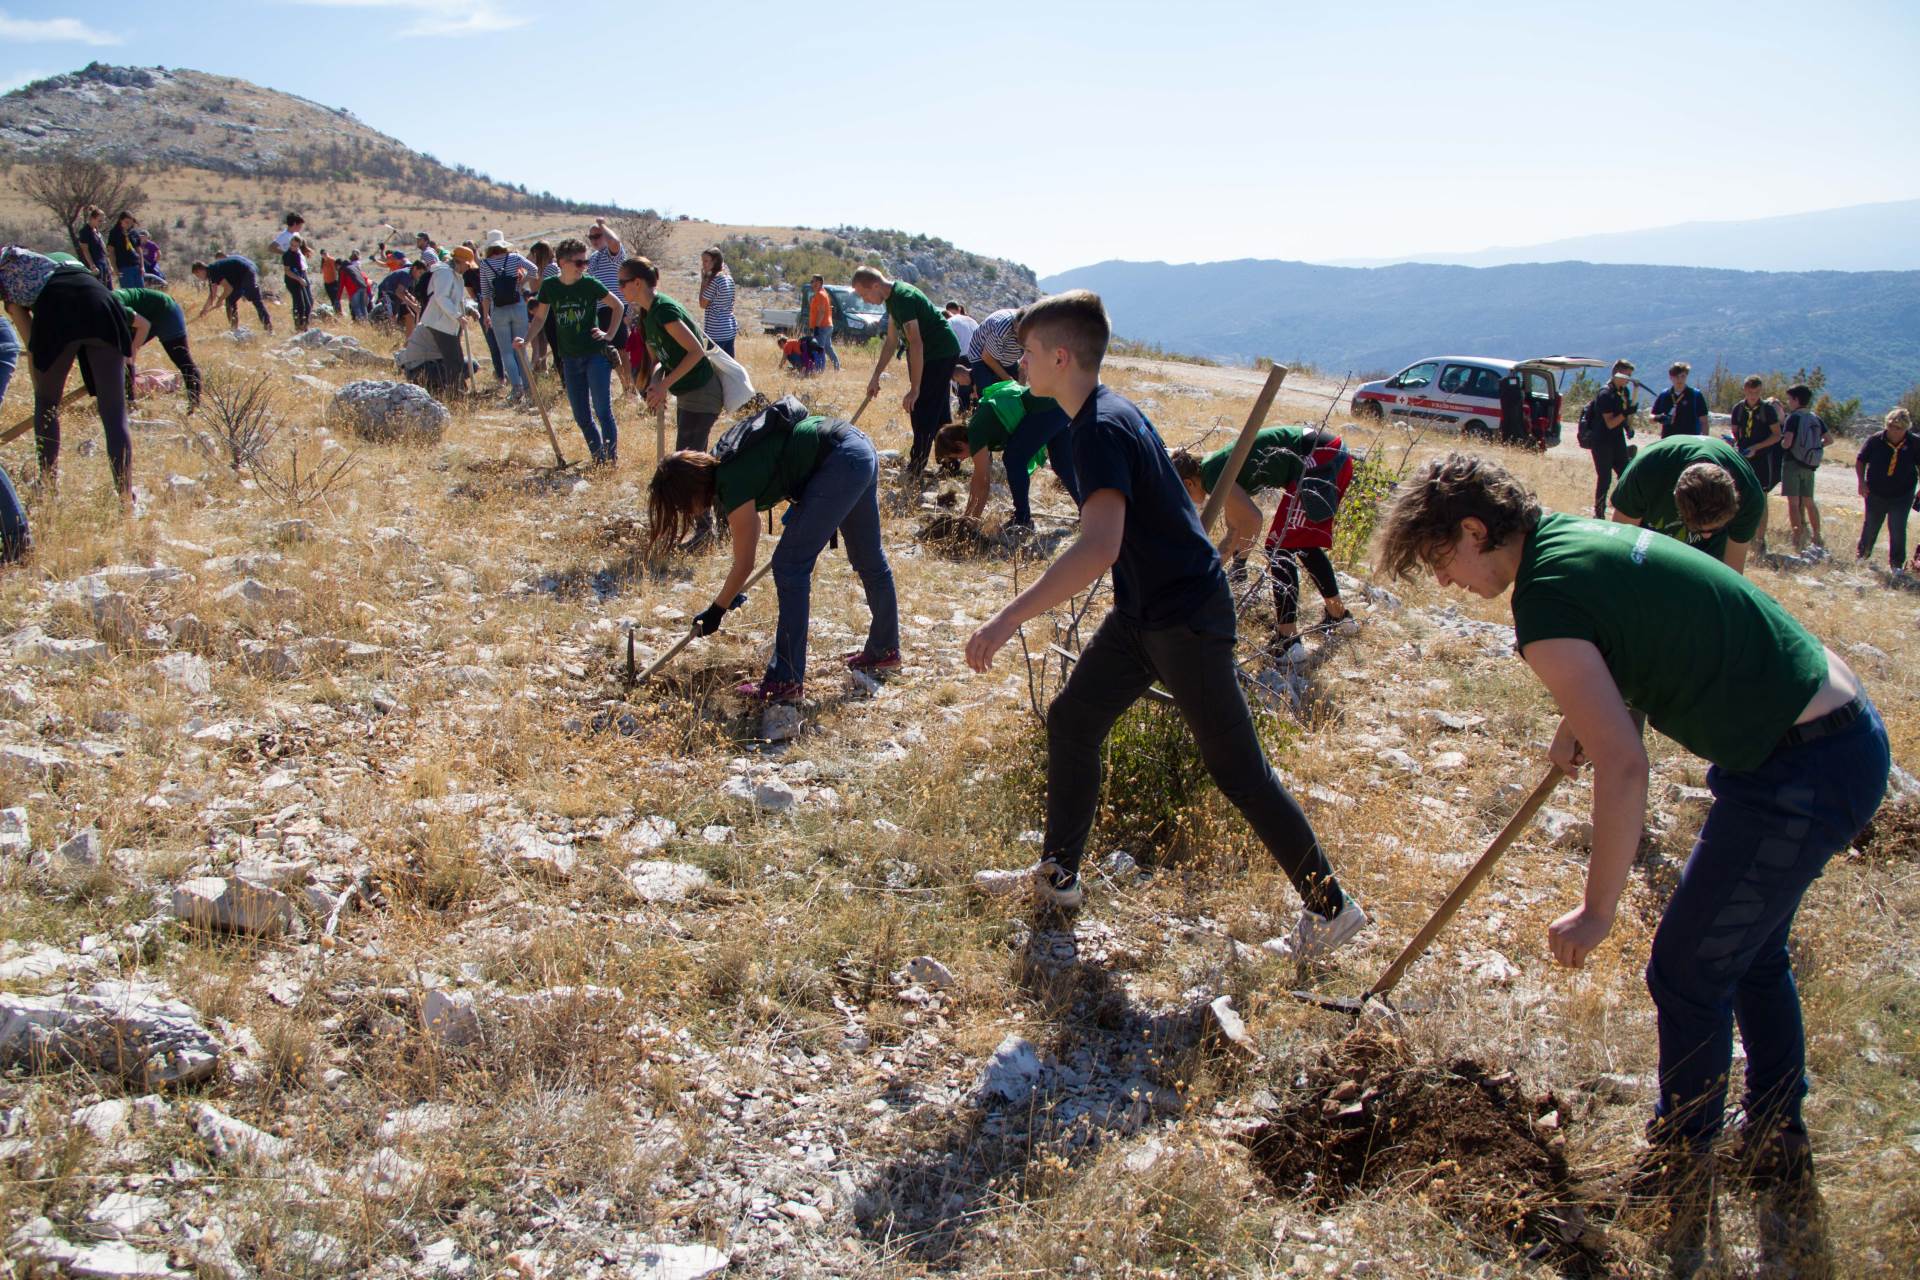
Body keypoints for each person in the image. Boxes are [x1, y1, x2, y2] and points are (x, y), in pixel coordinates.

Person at [1376, 453, 1886, 1278]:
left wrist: (1598, 909)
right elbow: (1639, 639)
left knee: (1686, 971)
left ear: (1475, 531)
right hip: (1832, 732)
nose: (1444, 581)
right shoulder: (1573, 539)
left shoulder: (1544, 606)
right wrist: (1589, 713)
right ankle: (1777, 1136)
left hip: (1801, 766)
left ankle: (1680, 1169)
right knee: (1750, 955)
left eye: (1441, 561)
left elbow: (1623, 767)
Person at [962, 290, 1366, 950]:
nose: (1019, 363)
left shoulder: (1097, 425)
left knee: (1239, 772)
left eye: (1028, 353)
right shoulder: (1104, 411)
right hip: (1144, 613)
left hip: (1183, 618)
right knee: (1073, 719)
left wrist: (1008, 618)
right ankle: (1059, 874)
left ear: (1061, 357)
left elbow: (1099, 545)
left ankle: (1331, 909)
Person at [648, 396, 901, 703]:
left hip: (840, 461)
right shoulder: (724, 463)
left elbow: (744, 562)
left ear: (689, 491)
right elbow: (748, 543)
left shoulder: (731, 481)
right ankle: (884, 651)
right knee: (868, 557)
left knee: (789, 566)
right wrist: (728, 596)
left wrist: (716, 610)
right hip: (855, 447)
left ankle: (786, 680)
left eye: (680, 505)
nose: (686, 513)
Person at [1170, 426, 1357, 664]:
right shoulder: (1213, 469)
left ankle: (1288, 640)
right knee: (1303, 544)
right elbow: (1235, 530)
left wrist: (1238, 564)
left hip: (1321, 457)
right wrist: (1210, 571)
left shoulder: (1214, 474)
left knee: (1279, 548)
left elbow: (1253, 518)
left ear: (1187, 484)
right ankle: (1339, 616)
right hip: (1329, 454)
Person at [0, 246, 135, 499]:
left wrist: (41, 381)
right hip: (102, 302)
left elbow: (33, 344)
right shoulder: (48, 263)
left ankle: (49, 487)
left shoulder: (10, 280)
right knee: (114, 412)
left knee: (47, 404)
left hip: (56, 308)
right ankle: (126, 497)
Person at [621, 256, 724, 511]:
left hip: (702, 392)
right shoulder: (647, 315)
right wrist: (656, 384)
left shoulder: (664, 309)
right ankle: (716, 518)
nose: (619, 288)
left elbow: (696, 351)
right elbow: (658, 361)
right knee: (691, 461)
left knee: (688, 466)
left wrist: (665, 385)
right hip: (686, 393)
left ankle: (705, 529)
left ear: (637, 283)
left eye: (622, 283)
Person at [852, 266, 960, 479]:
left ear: (875, 285)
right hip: (930, 354)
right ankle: (951, 462)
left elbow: (916, 344)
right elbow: (891, 342)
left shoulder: (903, 298)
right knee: (938, 410)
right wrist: (875, 377)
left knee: (921, 408)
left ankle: (917, 466)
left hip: (940, 353)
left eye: (864, 294)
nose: (865, 300)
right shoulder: (892, 301)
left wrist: (915, 389)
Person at [934, 379, 1078, 529]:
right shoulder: (977, 428)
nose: (961, 459)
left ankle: (1022, 519)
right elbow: (977, 481)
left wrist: (970, 523)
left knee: (1013, 459)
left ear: (959, 444)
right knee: (1063, 464)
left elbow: (982, 483)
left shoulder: (975, 433)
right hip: (1059, 403)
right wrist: (968, 516)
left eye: (956, 456)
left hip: (1047, 407)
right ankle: (1087, 511)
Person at [1608, 434, 1764, 573]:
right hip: (1649, 541)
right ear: (1677, 503)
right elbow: (1620, 547)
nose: (1707, 535)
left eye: (1717, 528)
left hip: (1712, 554)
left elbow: (1732, 576)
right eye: (1697, 529)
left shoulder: (1749, 497)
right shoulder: (1648, 472)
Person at [523, 238, 618, 464]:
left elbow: (617, 305)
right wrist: (525, 340)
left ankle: (611, 460)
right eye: (579, 262)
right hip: (569, 358)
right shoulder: (550, 286)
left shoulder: (590, 284)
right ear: (562, 262)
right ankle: (598, 458)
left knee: (603, 411)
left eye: (585, 262)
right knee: (581, 415)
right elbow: (540, 317)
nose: (583, 267)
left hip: (596, 355)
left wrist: (609, 334)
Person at [114, 285, 202, 413]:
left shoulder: (115, 308)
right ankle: (130, 405)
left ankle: (194, 407)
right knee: (123, 355)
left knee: (182, 359)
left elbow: (144, 325)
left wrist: (134, 347)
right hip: (143, 316)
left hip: (166, 311)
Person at [478, 232, 538, 406]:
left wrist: (486, 314)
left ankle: (517, 388)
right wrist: (519, 283)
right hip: (518, 305)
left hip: (499, 309)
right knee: (521, 348)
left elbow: (486, 293)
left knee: (506, 352)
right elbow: (534, 270)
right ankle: (529, 389)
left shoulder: (485, 264)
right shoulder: (514, 257)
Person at [1854, 408, 1918, 572]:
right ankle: (1862, 556)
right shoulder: (1876, 440)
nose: (1895, 431)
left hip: (1903, 494)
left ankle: (1896, 565)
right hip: (1875, 491)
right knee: (1871, 525)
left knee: (1897, 527)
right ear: (1887, 425)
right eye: (1892, 427)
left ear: (1906, 428)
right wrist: (1861, 482)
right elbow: (1861, 460)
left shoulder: (1914, 443)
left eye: (1899, 428)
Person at [1730, 375, 1783, 552]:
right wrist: (1738, 444)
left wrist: (1757, 447)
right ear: (1745, 390)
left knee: (1761, 498)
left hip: (1762, 459)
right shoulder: (1738, 408)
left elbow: (1777, 435)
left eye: (1757, 392)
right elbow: (1735, 429)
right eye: (1750, 392)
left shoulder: (1767, 410)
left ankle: (1760, 540)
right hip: (1743, 458)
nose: (1753, 396)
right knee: (1738, 495)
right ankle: (1739, 535)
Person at [584, 220, 633, 395]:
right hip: (600, 310)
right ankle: (625, 387)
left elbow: (615, 242)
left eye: (598, 236)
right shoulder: (594, 258)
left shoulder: (613, 254)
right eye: (591, 237)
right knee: (609, 350)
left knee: (621, 348)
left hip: (616, 308)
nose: (594, 240)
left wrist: (602, 225)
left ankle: (630, 389)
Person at [1585, 359, 1638, 518]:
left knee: (1626, 474)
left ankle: (1625, 509)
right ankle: (1599, 512)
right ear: (1616, 374)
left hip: (1617, 440)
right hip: (1602, 441)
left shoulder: (1624, 392)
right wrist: (1626, 413)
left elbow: (1621, 420)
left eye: (1630, 376)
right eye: (1626, 375)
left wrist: (1628, 427)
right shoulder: (1605, 393)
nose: (1628, 379)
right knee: (1605, 478)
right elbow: (1610, 423)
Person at [1779, 384, 1828, 553]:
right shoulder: (1815, 417)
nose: (1788, 402)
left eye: (1790, 399)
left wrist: (1781, 442)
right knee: (1809, 501)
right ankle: (1817, 535)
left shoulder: (1793, 418)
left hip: (1793, 464)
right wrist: (1814, 448)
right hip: (1809, 465)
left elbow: (1787, 443)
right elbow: (1829, 439)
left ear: (1796, 399)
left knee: (1793, 503)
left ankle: (1797, 537)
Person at [192, 255, 274, 332]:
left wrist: (220, 300)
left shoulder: (213, 272)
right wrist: (204, 310)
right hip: (237, 279)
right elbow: (212, 295)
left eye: (197, 275)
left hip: (245, 273)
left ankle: (268, 327)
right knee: (230, 301)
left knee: (255, 300)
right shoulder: (211, 274)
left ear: (200, 270)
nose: (199, 278)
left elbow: (228, 288)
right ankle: (234, 329)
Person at [966, 306, 1024, 400]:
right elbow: (987, 357)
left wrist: (1021, 387)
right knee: (988, 393)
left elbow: (1025, 362)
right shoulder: (1003, 328)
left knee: (1015, 395)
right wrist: (1010, 381)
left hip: (1007, 357)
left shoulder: (1034, 332)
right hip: (982, 355)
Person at [1652, 362, 1710, 438]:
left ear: (1686, 376)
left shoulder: (1695, 395)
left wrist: (1704, 439)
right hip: (1668, 440)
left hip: (1690, 440)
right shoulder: (1664, 395)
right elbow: (1651, 417)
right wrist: (1659, 418)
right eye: (1676, 376)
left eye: (1683, 376)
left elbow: (1704, 421)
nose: (1680, 379)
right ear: (1671, 377)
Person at [698, 248, 738, 358]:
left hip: (716, 333)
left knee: (716, 369)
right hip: (729, 329)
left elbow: (702, 304)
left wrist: (704, 282)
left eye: (706, 261)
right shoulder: (729, 278)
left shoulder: (715, 280)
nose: (703, 264)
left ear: (715, 261)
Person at [528, 240, 558, 377]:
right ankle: (542, 366)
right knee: (543, 339)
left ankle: (554, 368)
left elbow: (536, 288)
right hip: (546, 308)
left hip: (551, 310)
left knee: (551, 340)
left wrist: (531, 269)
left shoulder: (550, 268)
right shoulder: (546, 268)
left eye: (533, 255)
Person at [944, 301, 980, 410]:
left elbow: (947, 346)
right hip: (978, 358)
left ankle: (963, 415)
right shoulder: (972, 320)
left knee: (962, 391)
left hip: (962, 357)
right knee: (975, 389)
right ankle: (973, 414)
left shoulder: (950, 322)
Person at [281, 234, 314, 332]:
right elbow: (287, 271)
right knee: (300, 304)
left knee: (308, 304)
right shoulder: (287, 255)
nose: (293, 247)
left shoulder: (298, 253)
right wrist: (299, 279)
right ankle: (298, 327)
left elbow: (302, 267)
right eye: (291, 245)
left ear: (299, 245)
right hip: (292, 281)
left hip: (300, 279)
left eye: (295, 246)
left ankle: (305, 326)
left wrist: (303, 278)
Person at [807, 274, 838, 371]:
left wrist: (816, 327)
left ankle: (820, 370)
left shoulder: (820, 294)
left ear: (820, 282)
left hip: (822, 326)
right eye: (811, 282)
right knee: (828, 348)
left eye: (814, 281)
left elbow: (821, 311)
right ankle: (836, 367)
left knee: (819, 348)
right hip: (827, 325)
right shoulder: (822, 293)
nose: (812, 284)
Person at [106, 211, 143, 290]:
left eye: (130, 223)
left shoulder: (134, 232)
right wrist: (115, 268)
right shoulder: (114, 233)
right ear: (120, 221)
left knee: (141, 292)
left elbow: (139, 250)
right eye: (126, 222)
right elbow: (111, 252)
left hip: (136, 265)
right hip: (124, 267)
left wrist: (142, 266)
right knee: (130, 292)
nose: (128, 225)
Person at [75, 207, 110, 286]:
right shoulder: (85, 231)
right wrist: (92, 265)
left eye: (102, 221)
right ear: (92, 219)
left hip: (103, 263)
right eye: (99, 221)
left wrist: (109, 264)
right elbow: (85, 250)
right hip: (95, 264)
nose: (101, 223)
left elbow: (103, 248)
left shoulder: (97, 231)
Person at [1497, 368, 1530, 446]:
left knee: (1510, 426)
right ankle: (1514, 441)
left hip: (1511, 409)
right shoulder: (1513, 383)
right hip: (1513, 409)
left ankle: (1511, 441)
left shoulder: (1504, 382)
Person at [340, 252, 370, 323]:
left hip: (354, 289)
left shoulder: (344, 270)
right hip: (363, 286)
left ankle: (361, 323)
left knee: (356, 307)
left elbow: (341, 285)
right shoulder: (355, 267)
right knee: (363, 306)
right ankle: (366, 322)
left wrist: (338, 298)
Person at [319, 249, 341, 315]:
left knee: (336, 299)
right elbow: (321, 271)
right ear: (321, 255)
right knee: (332, 299)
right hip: (327, 283)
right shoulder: (323, 262)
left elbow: (337, 269)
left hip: (333, 282)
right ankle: (335, 312)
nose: (324, 255)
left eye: (325, 253)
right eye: (323, 254)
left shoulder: (332, 260)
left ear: (327, 253)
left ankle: (339, 312)